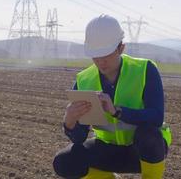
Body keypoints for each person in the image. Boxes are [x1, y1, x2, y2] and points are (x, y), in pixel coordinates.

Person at [53, 14, 172, 179]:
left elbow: (156, 117)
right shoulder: (84, 80)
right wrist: (69, 122)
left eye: (106, 54)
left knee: (149, 136)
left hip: (142, 153)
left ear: (121, 48)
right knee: (64, 162)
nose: (101, 62)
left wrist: (117, 111)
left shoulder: (145, 69)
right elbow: (79, 138)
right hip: (108, 150)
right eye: (96, 56)